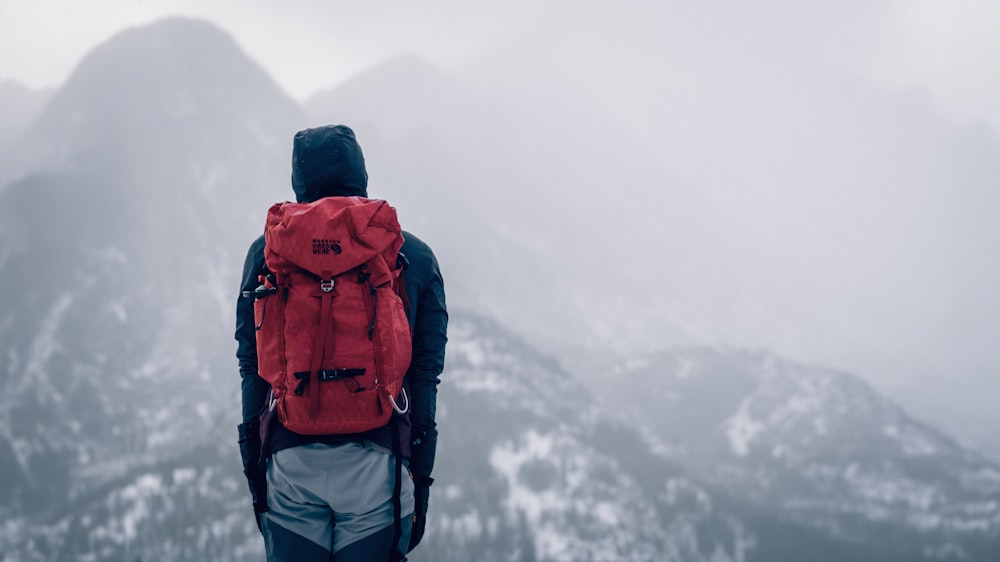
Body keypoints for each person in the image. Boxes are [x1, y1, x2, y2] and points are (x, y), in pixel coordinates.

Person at [236, 125, 447, 561]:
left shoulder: (268, 253)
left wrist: (257, 475)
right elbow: (426, 376)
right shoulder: (410, 254)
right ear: (361, 176)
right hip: (379, 466)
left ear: (299, 182)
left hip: (290, 461)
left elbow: (251, 369)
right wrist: (419, 480)